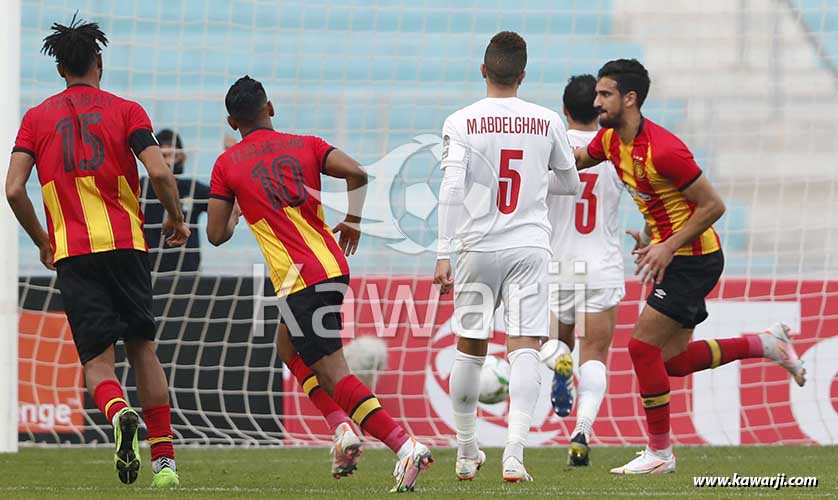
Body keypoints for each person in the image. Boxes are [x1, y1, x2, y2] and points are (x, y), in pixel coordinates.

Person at [574, 59, 807, 474]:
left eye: (605, 94)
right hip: (673, 255)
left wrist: (667, 246)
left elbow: (714, 205)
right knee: (673, 362)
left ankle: (660, 454)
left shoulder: (665, 149)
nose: (597, 102)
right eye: (596, 94)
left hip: (694, 258)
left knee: (641, 348)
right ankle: (767, 344)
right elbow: (576, 160)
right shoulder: (610, 141)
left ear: (630, 99)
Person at [206, 76, 432, 492]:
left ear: (231, 121)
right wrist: (353, 220)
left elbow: (216, 234)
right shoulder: (306, 143)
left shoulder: (227, 165)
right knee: (286, 345)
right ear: (269, 108)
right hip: (331, 264)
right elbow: (358, 173)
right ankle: (342, 428)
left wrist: (237, 207)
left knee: (333, 374)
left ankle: (405, 446)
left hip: (297, 279)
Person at [5, 15, 190, 487]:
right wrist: (174, 216)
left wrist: (43, 241)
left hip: (72, 250)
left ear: (59, 69)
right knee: (143, 348)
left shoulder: (36, 118)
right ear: (99, 62)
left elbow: (12, 189)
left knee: (97, 362)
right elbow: (161, 173)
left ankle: (116, 410)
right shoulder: (128, 111)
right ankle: (165, 464)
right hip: (126, 244)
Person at [433, 31, 580, 482]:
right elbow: (570, 183)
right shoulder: (546, 119)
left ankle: (464, 451)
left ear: (483, 70)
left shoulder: (460, 121)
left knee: (470, 351)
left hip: (476, 246)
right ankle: (514, 453)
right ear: (523, 74)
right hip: (529, 246)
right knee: (525, 351)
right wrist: (537, 184)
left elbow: (453, 186)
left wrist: (442, 252)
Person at [544, 74, 625, 466]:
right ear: (598, 109)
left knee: (557, 340)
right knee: (595, 352)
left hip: (561, 263)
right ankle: (582, 432)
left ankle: (558, 357)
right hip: (602, 264)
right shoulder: (615, 149)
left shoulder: (551, 149)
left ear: (563, 111)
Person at [140, 129, 210, 273]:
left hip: (187, 271)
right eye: (164, 156)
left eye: (173, 155)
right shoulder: (141, 188)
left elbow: (222, 202)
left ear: (182, 157)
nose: (169, 161)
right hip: (150, 270)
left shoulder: (192, 189)